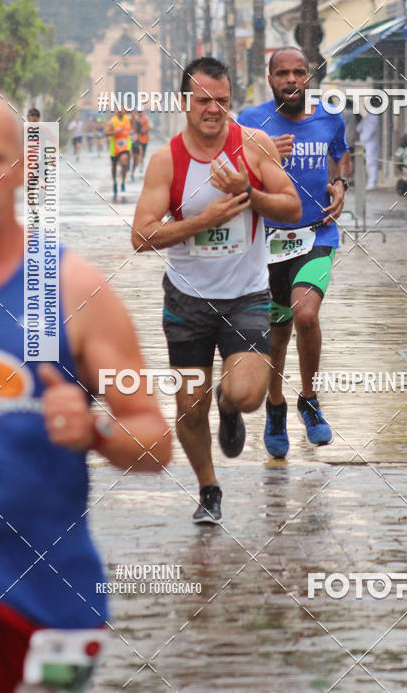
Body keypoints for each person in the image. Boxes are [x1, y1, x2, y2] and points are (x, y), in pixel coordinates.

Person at [0, 85, 171, 693]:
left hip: (57, 593)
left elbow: (155, 443)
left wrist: (97, 431)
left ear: (23, 166)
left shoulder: (73, 288)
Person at [132, 57, 300, 523]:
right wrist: (202, 221)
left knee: (247, 394)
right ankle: (209, 488)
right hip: (187, 300)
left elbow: (291, 207)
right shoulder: (167, 160)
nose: (214, 110)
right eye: (204, 101)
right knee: (189, 405)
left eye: (223, 102)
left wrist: (250, 193)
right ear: (185, 102)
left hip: (246, 295)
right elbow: (140, 236)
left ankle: (228, 407)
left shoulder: (253, 144)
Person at [239, 47, 348, 459]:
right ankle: (275, 407)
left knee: (305, 314)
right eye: (282, 73)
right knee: (277, 331)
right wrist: (265, 158)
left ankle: (309, 399)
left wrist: (340, 185)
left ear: (309, 77)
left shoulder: (328, 116)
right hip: (266, 242)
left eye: (298, 72)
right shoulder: (251, 121)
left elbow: (341, 154)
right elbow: (231, 173)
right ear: (269, 79)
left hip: (317, 234)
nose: (291, 80)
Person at [106, 107, 131, 202]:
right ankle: (115, 183)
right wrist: (115, 132)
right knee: (114, 167)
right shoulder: (112, 121)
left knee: (124, 164)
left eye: (122, 109)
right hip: (115, 148)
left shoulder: (128, 119)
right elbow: (106, 133)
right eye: (118, 109)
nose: (120, 111)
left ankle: (123, 182)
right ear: (115, 111)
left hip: (125, 147)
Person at [357, 104, 381, 190]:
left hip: (371, 142)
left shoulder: (373, 114)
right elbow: (360, 126)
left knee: (372, 162)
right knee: (368, 162)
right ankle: (371, 182)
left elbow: (371, 128)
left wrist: (364, 138)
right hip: (367, 141)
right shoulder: (369, 114)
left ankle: (372, 182)